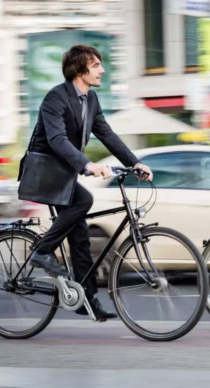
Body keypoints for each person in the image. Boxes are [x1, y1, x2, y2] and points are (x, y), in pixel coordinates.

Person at [22, 45, 153, 320]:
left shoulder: (90, 100)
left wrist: (134, 162)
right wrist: (88, 165)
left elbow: (107, 134)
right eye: (96, 65)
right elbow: (57, 140)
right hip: (45, 172)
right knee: (84, 201)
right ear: (80, 69)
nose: (102, 70)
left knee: (80, 236)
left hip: (64, 175)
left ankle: (88, 299)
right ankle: (42, 252)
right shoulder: (55, 98)